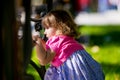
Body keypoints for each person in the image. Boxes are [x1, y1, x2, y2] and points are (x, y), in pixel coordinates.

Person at [32, 9, 105, 80]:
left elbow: (44, 60)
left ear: (59, 27)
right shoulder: (66, 40)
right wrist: (42, 43)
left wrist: (37, 42)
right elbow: (51, 51)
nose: (44, 32)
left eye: (47, 28)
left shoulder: (56, 40)